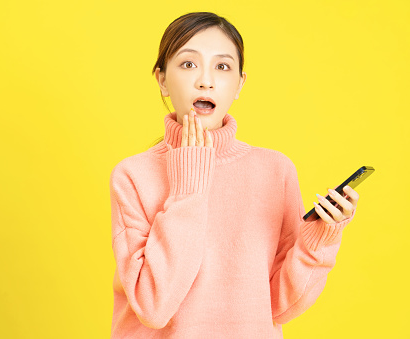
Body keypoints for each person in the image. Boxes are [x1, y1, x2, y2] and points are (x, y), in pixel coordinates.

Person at [109, 11, 359, 338]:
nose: (206, 80)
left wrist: (319, 239)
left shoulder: (276, 171)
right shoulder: (133, 176)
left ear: (240, 84)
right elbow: (154, 307)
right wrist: (189, 189)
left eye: (222, 66)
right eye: (188, 64)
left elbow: (279, 308)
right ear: (161, 79)